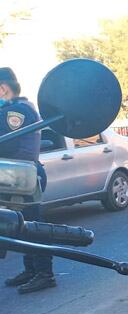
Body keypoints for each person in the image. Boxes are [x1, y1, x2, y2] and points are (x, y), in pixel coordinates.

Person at [0, 67, 56, 294]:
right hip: (15, 176)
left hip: (24, 177)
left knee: (33, 227)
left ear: (2, 88)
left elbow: (13, 145)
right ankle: (31, 269)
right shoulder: (16, 109)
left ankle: (45, 273)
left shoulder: (18, 111)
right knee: (20, 225)